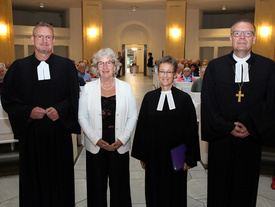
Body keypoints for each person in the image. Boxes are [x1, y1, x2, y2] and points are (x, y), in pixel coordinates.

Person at [1, 22, 80, 207]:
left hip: (58, 135)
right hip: (31, 136)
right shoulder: (18, 67)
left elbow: (74, 97)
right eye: (40, 36)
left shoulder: (66, 66)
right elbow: (8, 99)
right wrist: (28, 111)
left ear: (53, 40)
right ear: (32, 39)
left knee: (60, 181)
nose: (44, 41)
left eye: (48, 37)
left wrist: (59, 110)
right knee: (33, 182)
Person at [201, 19, 275, 207]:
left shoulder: (268, 67)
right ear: (230, 38)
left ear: (255, 39)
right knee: (219, 188)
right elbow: (208, 104)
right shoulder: (215, 67)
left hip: (251, 139)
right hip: (221, 139)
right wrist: (227, 127)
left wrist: (250, 124)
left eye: (247, 33)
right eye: (237, 33)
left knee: (246, 188)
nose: (242, 37)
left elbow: (271, 102)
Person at [131, 56, 200, 207]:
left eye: (169, 72)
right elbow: (142, 127)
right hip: (154, 154)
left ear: (175, 73)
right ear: (157, 73)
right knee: (154, 191)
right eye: (162, 71)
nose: (165, 75)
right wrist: (143, 155)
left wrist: (189, 158)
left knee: (176, 191)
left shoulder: (184, 99)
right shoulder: (149, 98)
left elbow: (191, 130)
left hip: (177, 153)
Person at [78, 48, 138, 207]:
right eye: (101, 63)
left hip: (119, 145)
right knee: (96, 188)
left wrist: (122, 139)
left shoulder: (125, 88)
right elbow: (82, 117)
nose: (105, 67)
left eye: (109, 63)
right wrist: (96, 140)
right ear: (96, 68)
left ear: (115, 66)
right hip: (95, 145)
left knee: (120, 188)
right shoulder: (88, 89)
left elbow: (133, 116)